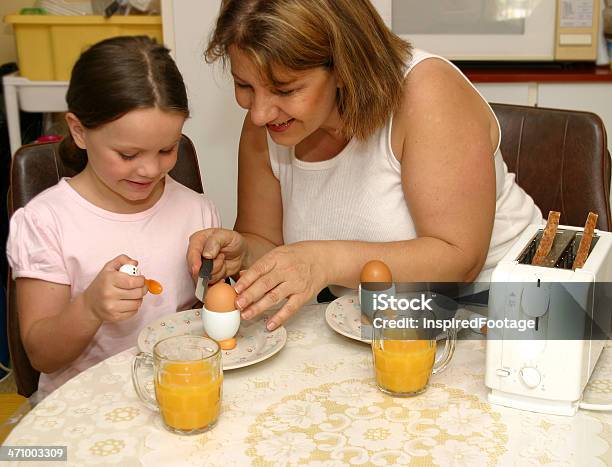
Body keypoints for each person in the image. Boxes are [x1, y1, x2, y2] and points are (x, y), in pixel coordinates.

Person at [187, 0, 542, 331]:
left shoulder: (426, 93)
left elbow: (459, 261)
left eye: (285, 89)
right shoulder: (268, 122)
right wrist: (243, 253)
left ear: (344, 68)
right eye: (244, 85)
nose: (260, 112)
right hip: (379, 324)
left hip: (511, 312)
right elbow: (267, 240)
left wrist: (325, 261)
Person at [6, 36, 220, 395]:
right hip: (83, 407)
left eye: (167, 149)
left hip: (176, 393)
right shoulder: (46, 221)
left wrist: (224, 276)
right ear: (78, 131)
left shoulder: (196, 209)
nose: (150, 170)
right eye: (127, 154)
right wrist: (89, 308)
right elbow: (42, 355)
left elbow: (208, 315)